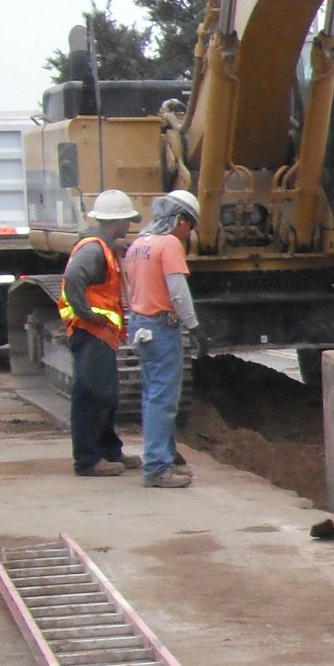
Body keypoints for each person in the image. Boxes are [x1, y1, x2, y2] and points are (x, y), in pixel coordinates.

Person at [123, 190, 202, 488]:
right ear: (180, 220)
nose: (189, 232)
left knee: (152, 394)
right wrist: (193, 325)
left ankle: (165, 456)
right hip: (161, 327)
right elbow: (178, 291)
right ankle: (157, 467)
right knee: (163, 399)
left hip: (141, 324)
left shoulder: (138, 245)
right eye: (190, 225)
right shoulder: (168, 244)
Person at [58, 190, 138, 477]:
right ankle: (87, 460)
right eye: (126, 222)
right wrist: (87, 315)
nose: (128, 226)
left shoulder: (103, 247)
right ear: (116, 223)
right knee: (92, 394)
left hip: (101, 334)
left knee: (108, 395)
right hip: (91, 332)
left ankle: (109, 450)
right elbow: (72, 279)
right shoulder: (94, 251)